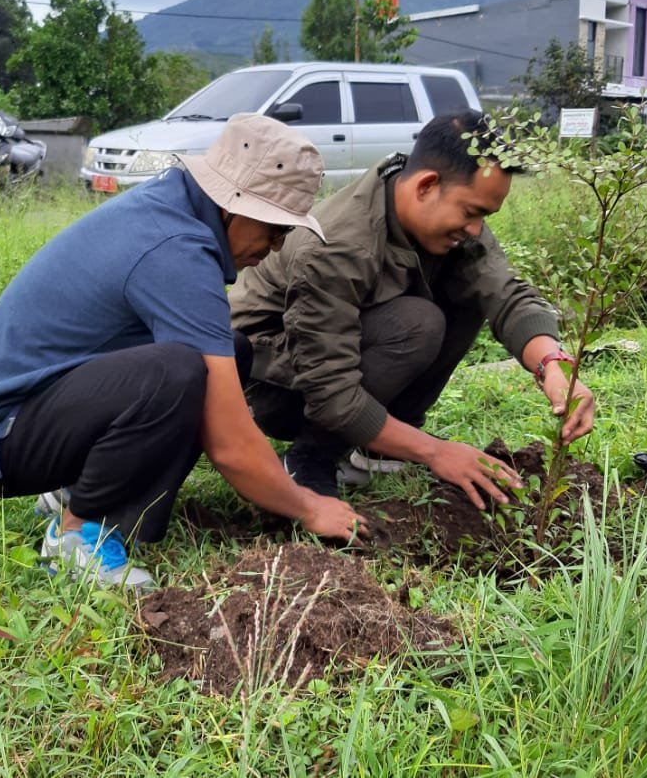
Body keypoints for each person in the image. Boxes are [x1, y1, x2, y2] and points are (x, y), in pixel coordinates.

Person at [0, 114, 368, 592]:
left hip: (31, 408)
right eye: (273, 228)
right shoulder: (177, 249)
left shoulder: (172, 210)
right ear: (231, 205)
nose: (276, 247)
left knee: (227, 351)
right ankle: (78, 537)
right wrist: (307, 505)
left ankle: (76, 490)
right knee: (177, 371)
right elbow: (229, 441)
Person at [229, 108, 596, 506]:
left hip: (334, 360)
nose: (476, 230)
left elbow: (502, 291)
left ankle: (382, 445)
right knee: (416, 323)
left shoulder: (445, 220)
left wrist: (552, 365)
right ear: (426, 185)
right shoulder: (338, 245)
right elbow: (329, 387)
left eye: (484, 217)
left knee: (470, 296)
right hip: (271, 383)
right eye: (471, 212)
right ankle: (313, 455)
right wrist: (436, 452)